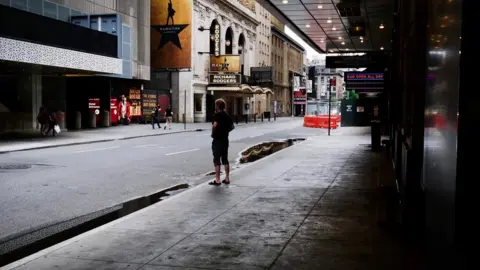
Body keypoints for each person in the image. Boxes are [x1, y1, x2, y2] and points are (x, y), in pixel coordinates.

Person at [209, 99, 234, 186]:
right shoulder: (226, 115)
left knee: (216, 160)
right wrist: (225, 131)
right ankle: (227, 178)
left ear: (217, 106)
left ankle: (217, 180)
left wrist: (213, 133)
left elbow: (214, 125)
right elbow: (232, 127)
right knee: (225, 159)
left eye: (216, 105)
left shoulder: (217, 115)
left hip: (217, 140)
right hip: (225, 140)